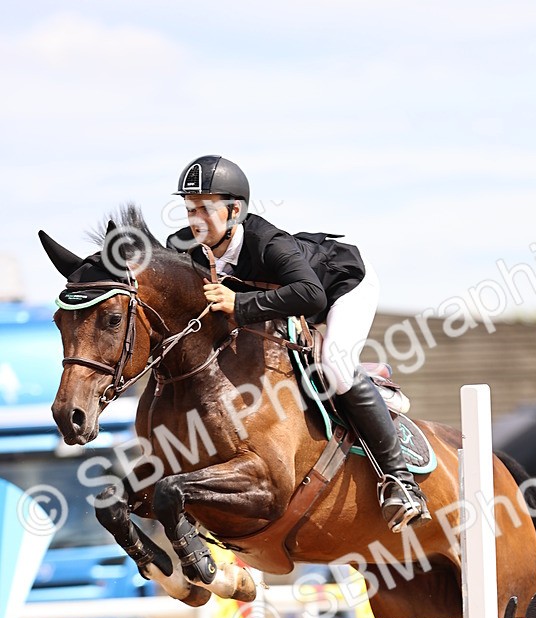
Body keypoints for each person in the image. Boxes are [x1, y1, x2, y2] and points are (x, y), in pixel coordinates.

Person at [167, 155, 430, 532]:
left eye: (205, 210)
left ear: (234, 210)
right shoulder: (188, 247)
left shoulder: (267, 243)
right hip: (292, 304)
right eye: (189, 209)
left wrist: (238, 304)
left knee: (335, 368)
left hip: (340, 287)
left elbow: (312, 296)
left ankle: (400, 481)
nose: (195, 220)